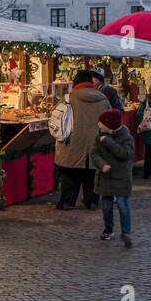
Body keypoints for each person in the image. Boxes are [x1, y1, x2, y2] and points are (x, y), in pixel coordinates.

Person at [54, 70, 110, 209]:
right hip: (95, 142)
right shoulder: (103, 99)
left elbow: (57, 119)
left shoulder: (68, 98)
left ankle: (67, 202)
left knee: (70, 173)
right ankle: (92, 201)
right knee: (92, 173)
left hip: (72, 142)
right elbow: (110, 121)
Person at [91, 109, 134, 247]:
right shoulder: (100, 136)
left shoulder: (126, 136)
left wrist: (108, 142)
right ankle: (108, 230)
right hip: (105, 177)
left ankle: (126, 233)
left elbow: (125, 155)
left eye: (101, 122)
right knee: (106, 207)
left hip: (121, 177)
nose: (98, 124)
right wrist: (102, 165)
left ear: (109, 125)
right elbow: (94, 154)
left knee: (122, 205)